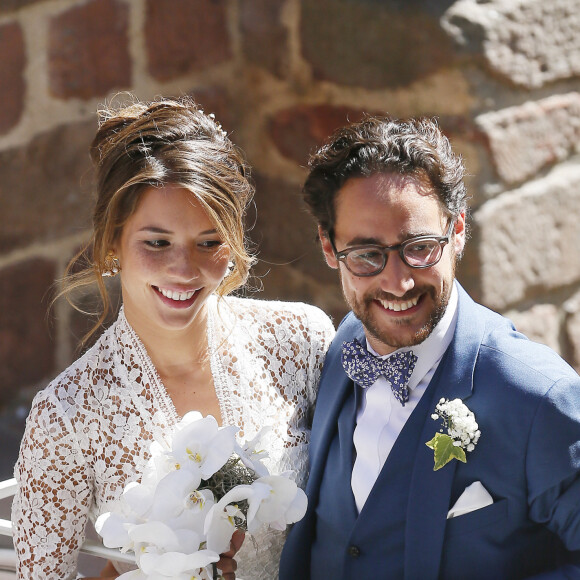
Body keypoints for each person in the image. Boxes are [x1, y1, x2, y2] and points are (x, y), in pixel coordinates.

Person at [11, 96, 335, 580]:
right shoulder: (66, 417)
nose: (183, 270)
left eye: (209, 242)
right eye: (156, 242)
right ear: (113, 243)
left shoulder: (300, 340)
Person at [279, 115, 580, 579]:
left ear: (457, 229)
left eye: (418, 247)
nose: (397, 282)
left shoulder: (540, 397)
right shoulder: (340, 349)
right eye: (365, 255)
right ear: (327, 245)